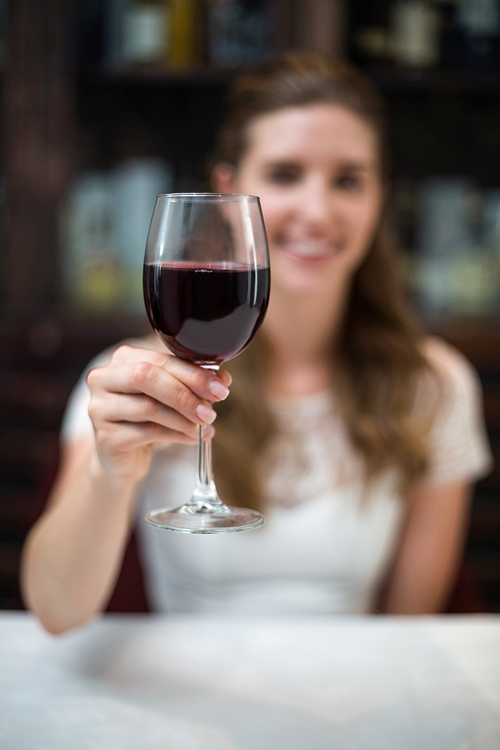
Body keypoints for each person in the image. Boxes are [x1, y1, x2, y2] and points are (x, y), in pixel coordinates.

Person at [21, 52, 492, 633]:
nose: (316, 211)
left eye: (348, 179)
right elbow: (55, 612)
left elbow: (408, 632)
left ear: (380, 197)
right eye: (285, 175)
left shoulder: (434, 386)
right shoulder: (132, 387)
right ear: (228, 188)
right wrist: (109, 473)